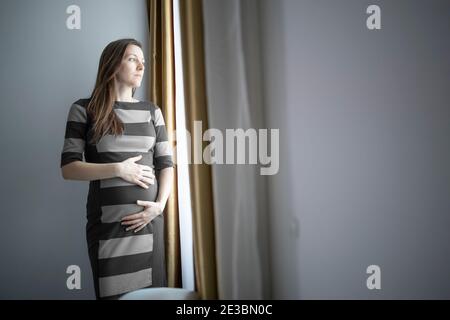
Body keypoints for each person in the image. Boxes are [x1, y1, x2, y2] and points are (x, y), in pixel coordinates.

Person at [60, 38, 174, 299]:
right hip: (108, 228)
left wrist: (159, 206)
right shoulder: (84, 109)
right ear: (112, 64)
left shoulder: (152, 111)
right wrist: (119, 169)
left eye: (143, 61)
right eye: (133, 59)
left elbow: (166, 164)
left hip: (149, 223)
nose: (141, 66)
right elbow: (69, 168)